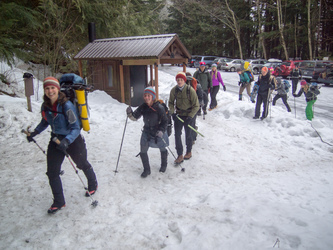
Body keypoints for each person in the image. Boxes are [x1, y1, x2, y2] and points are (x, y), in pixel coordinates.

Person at [26, 77, 98, 214]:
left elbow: (76, 127)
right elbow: (45, 121)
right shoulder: (45, 105)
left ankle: (93, 184)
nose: (50, 91)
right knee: (52, 172)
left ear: (58, 89)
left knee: (82, 163)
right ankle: (59, 201)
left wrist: (67, 140)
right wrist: (35, 132)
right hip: (55, 140)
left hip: (73, 140)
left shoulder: (67, 105)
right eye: (47, 88)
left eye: (52, 88)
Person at [126, 87, 169, 177]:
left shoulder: (159, 108)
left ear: (153, 96)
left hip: (158, 132)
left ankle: (164, 165)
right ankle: (147, 170)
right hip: (147, 132)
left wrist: (161, 130)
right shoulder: (143, 106)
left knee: (162, 148)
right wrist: (130, 113)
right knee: (143, 150)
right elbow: (135, 117)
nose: (146, 97)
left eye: (148, 95)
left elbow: (165, 121)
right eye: (145, 95)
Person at [169, 72, 200, 164]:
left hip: (189, 115)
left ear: (184, 80)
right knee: (177, 135)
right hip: (178, 115)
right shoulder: (174, 90)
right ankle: (179, 154)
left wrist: (190, 117)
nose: (179, 82)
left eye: (181, 80)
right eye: (178, 80)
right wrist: (172, 113)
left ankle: (189, 151)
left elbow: (196, 105)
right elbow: (170, 103)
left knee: (188, 134)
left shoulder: (190, 90)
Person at [186, 72, 203, 144]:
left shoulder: (197, 86)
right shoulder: (183, 86)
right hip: (186, 108)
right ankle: (191, 136)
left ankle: (192, 138)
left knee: (191, 123)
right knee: (189, 123)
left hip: (194, 108)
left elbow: (200, 97)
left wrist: (197, 106)